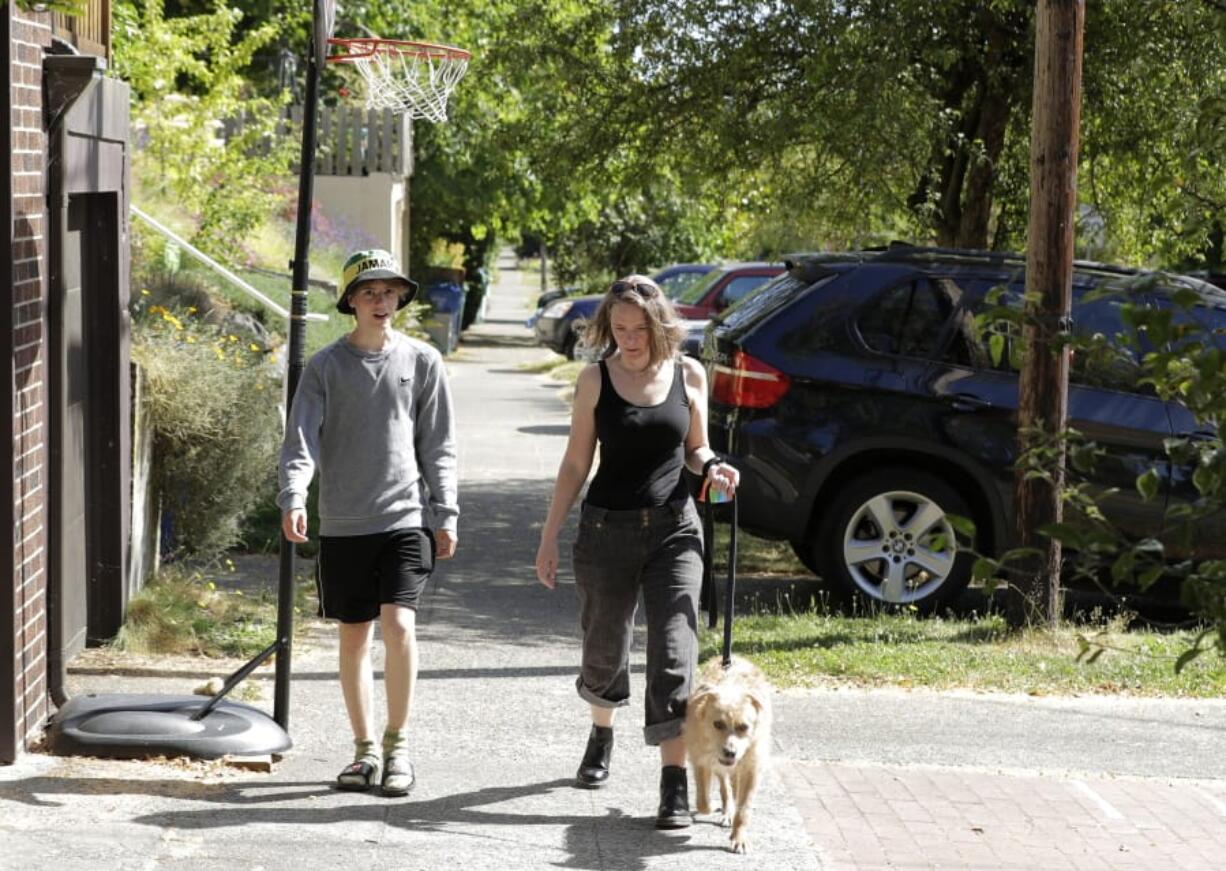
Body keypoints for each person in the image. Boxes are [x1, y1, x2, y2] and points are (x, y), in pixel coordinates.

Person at [535, 274, 740, 828]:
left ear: (660, 325)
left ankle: (672, 785)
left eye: (639, 329)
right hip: (606, 532)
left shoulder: (689, 374)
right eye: (619, 329)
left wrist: (713, 465)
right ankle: (601, 734)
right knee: (604, 648)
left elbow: (695, 448)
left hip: (675, 529)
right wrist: (550, 534)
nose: (629, 339)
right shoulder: (595, 380)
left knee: (675, 656)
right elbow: (577, 463)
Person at [278, 248, 459, 797]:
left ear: (400, 299)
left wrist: (445, 510)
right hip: (344, 523)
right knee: (354, 637)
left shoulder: (423, 361)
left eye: (390, 293)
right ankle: (362, 753)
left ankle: (397, 746)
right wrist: (294, 497)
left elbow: (439, 444)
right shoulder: (326, 367)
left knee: (399, 625)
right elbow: (301, 439)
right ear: (351, 302)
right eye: (370, 293)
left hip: (405, 517)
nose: (382, 302)